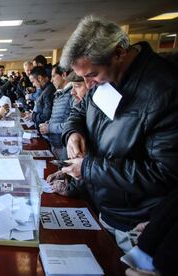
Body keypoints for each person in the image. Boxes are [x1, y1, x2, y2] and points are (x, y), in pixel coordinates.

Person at [59, 15, 178, 251]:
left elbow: (165, 174)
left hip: (138, 222)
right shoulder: (103, 80)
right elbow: (79, 112)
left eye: (92, 75)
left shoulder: (164, 90)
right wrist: (73, 132)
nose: (88, 84)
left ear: (119, 53)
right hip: (104, 207)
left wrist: (89, 168)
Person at [39, 63, 72, 159]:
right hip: (54, 144)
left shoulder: (73, 94)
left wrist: (50, 127)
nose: (51, 80)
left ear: (64, 75)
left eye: (53, 76)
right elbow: (58, 117)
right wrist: (48, 124)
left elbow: (72, 124)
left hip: (64, 147)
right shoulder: (59, 93)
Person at [28, 66, 55, 132]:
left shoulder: (48, 91)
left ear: (39, 78)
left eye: (33, 82)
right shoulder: (45, 89)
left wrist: (33, 116)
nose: (33, 85)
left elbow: (46, 116)